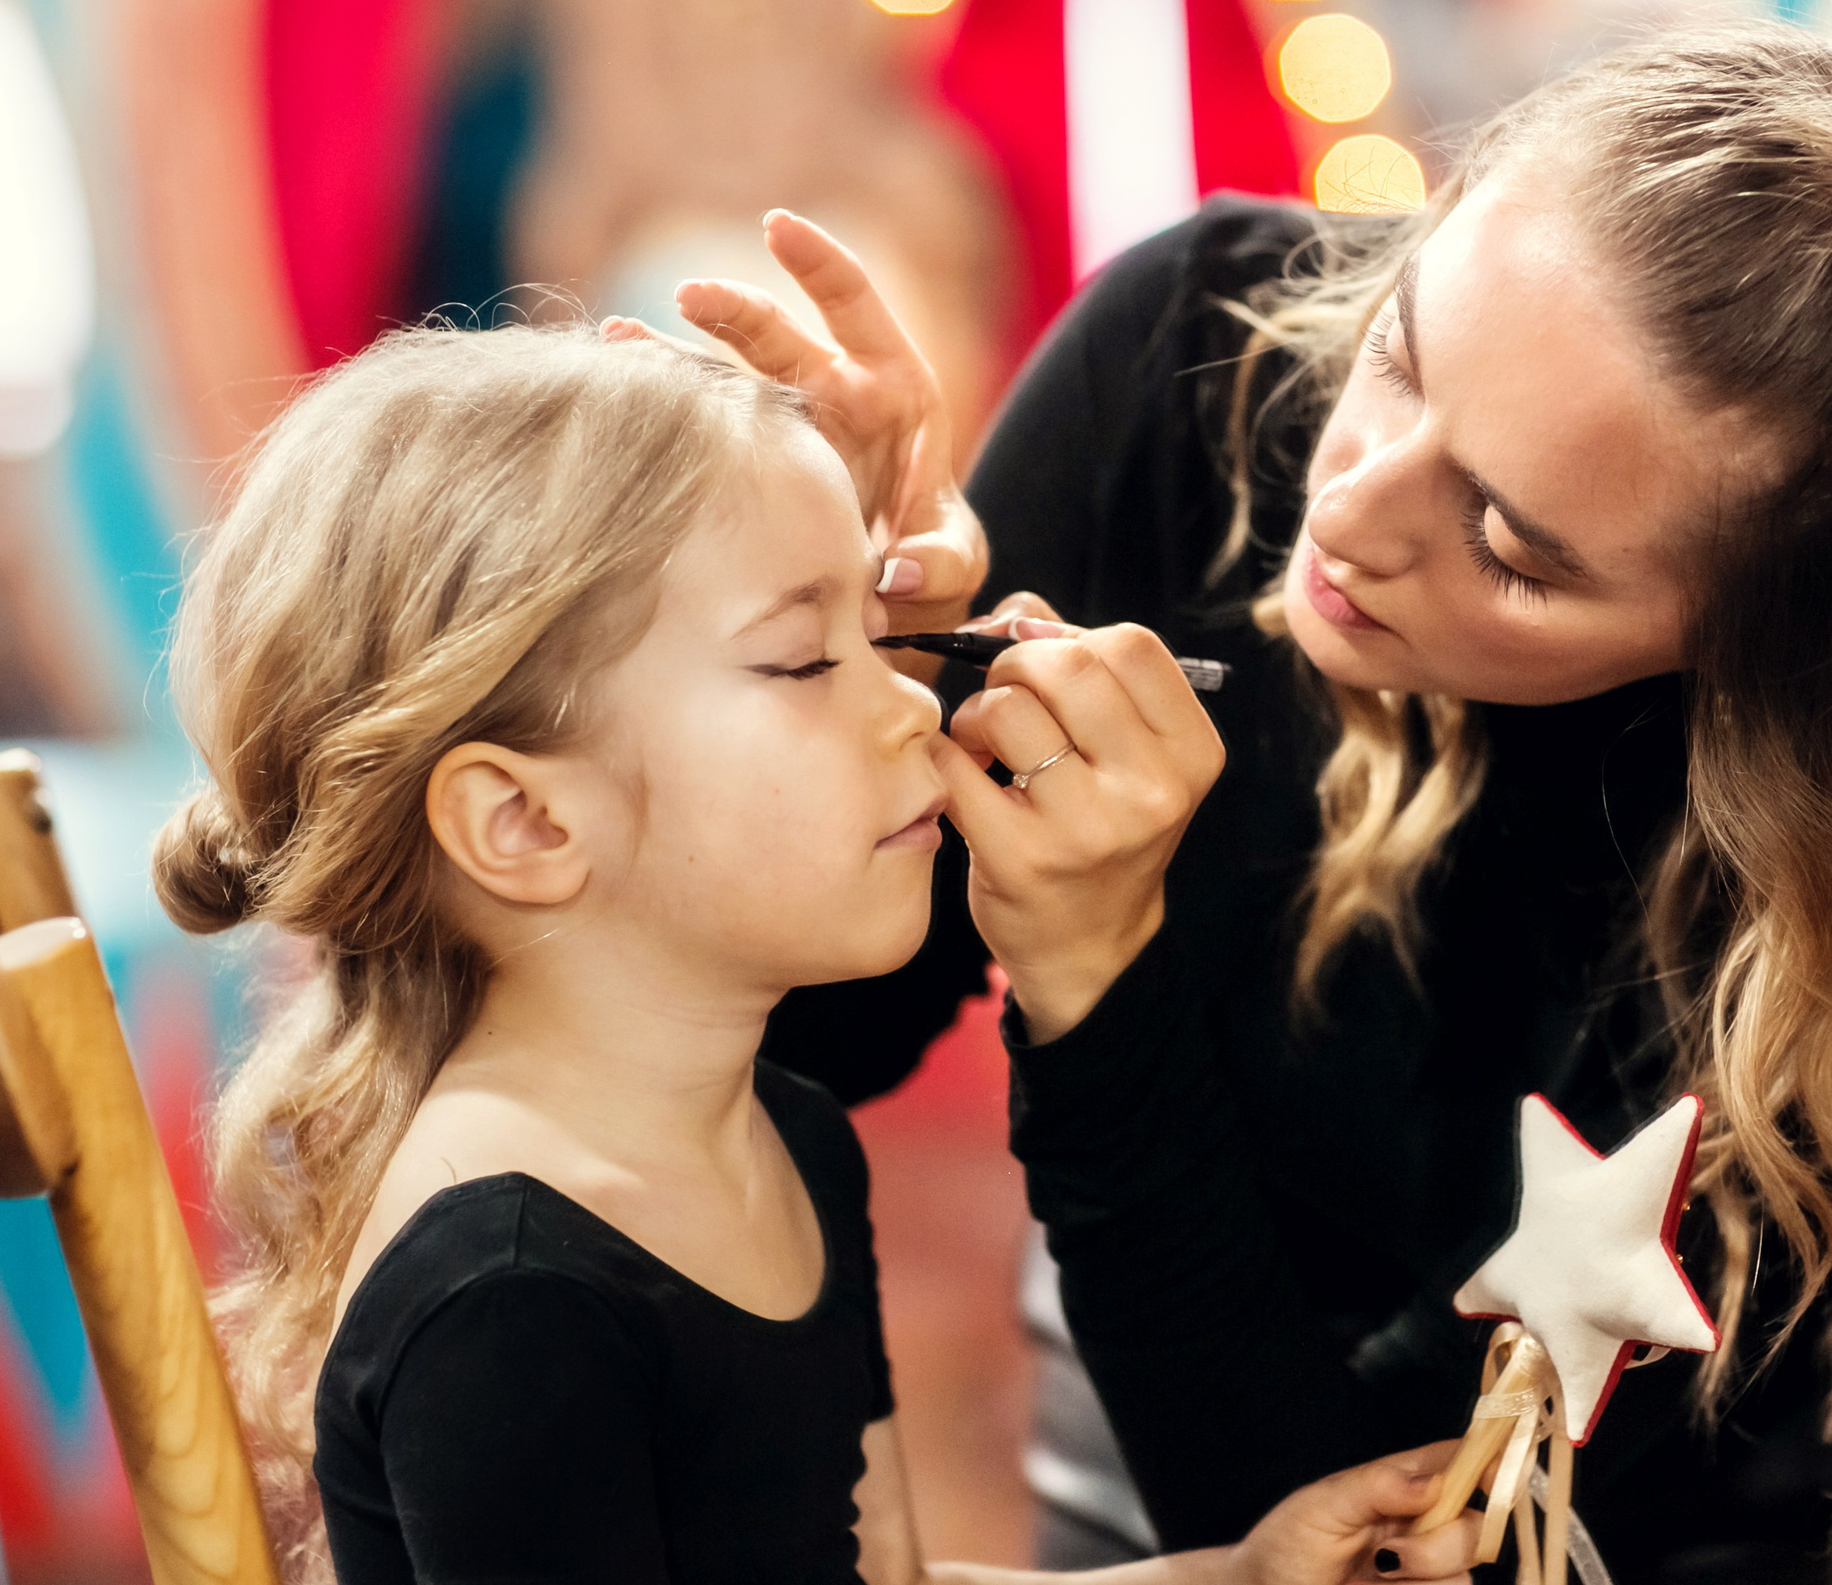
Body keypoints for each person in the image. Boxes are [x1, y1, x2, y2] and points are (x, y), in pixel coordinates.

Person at [734, 0, 1832, 1583]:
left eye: (1509, 547)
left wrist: (1091, 973)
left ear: (1750, 647)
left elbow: (1332, 1551)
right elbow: (798, 1050)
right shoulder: (1195, 354)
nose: (1345, 507)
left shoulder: (1799, 907)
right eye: (1400, 360)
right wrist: (827, 663)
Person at [153, 323, 1479, 1585]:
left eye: (876, 635)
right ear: (526, 820)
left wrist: (1228, 1572)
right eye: (801, 661)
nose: (914, 706)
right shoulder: (508, 1302)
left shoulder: (784, 1135)